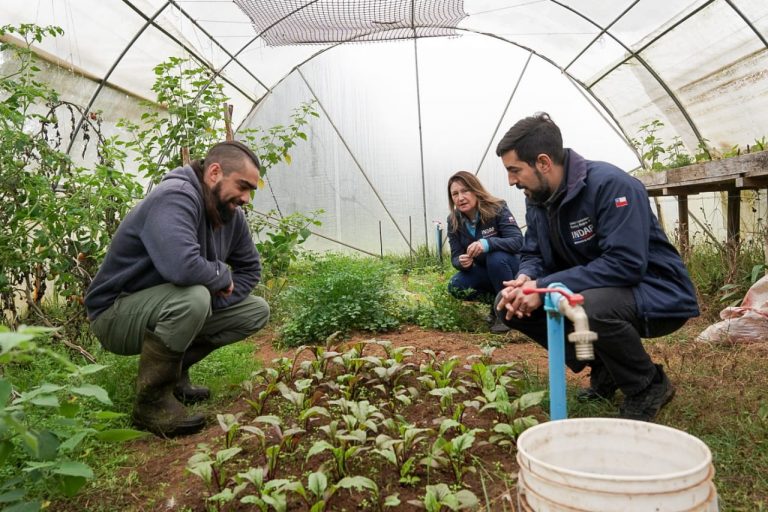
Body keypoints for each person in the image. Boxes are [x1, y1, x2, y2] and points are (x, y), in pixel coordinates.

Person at [494, 113, 699, 422]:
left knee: (590, 308)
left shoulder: (612, 186)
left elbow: (626, 264)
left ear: (544, 162)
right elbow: (533, 251)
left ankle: (647, 385)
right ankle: (605, 365)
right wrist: (527, 277)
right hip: (594, 289)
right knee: (506, 305)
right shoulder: (538, 197)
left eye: (514, 170)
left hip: (654, 291)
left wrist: (546, 286)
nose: (511, 180)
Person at [85, 141, 270, 437]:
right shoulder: (175, 197)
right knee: (194, 298)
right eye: (243, 186)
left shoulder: (231, 216)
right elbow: (181, 266)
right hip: (115, 313)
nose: (247, 198)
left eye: (251, 191)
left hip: (168, 306)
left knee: (255, 310)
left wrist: (212, 304)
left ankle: (174, 376)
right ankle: (151, 404)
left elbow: (251, 269)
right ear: (214, 172)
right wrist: (221, 276)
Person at [446, 171, 523, 333]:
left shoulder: (497, 208)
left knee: (495, 257)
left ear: (475, 190)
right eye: (455, 194)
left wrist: (487, 244)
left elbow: (517, 241)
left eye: (465, 191)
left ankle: (509, 314)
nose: (460, 198)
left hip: (510, 268)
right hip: (486, 271)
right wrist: (461, 262)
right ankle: (496, 303)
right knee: (456, 285)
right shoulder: (453, 220)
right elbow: (455, 256)